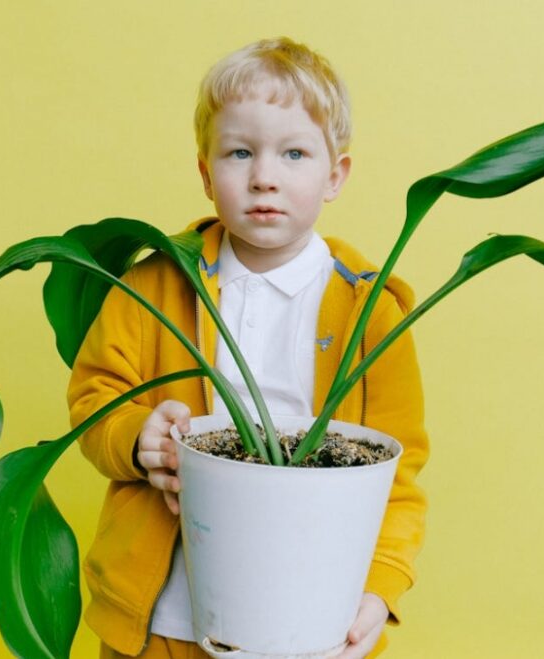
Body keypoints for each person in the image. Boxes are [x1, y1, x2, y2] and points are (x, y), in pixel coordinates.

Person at [68, 36, 429, 659]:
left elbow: (397, 470)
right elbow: (95, 395)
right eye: (239, 153)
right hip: (166, 614)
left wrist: (379, 588)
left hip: (311, 609)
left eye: (294, 153)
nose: (264, 177)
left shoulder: (371, 311)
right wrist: (136, 436)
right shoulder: (155, 284)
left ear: (335, 174)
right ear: (207, 175)